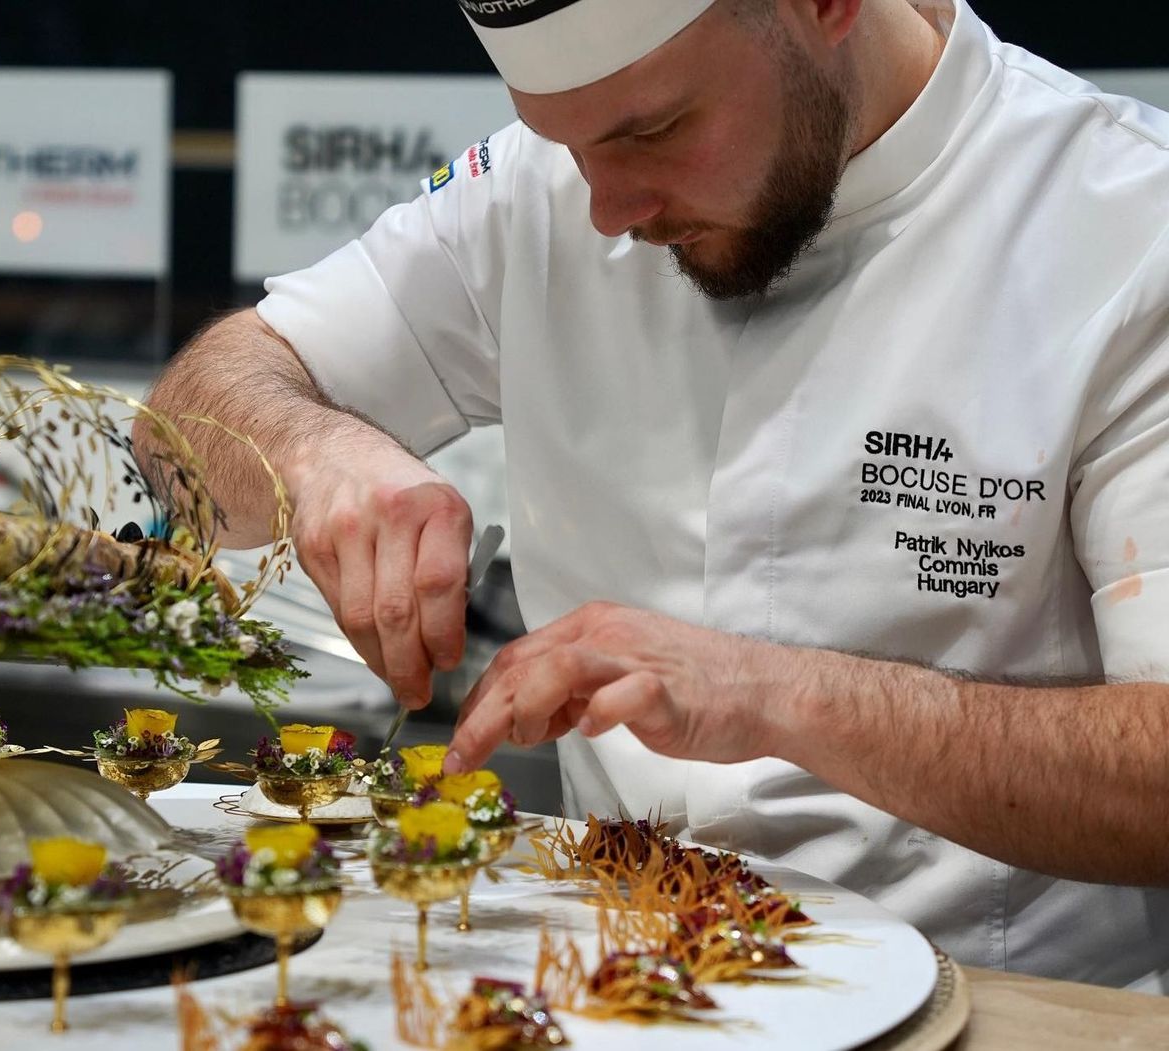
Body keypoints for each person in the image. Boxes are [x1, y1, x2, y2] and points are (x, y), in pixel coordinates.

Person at [138, 0, 1169, 990]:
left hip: (1003, 1005)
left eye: (654, 128)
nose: (607, 211)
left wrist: (771, 693)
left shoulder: (1126, 229)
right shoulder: (532, 195)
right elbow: (179, 433)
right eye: (566, 143)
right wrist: (317, 455)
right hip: (610, 986)